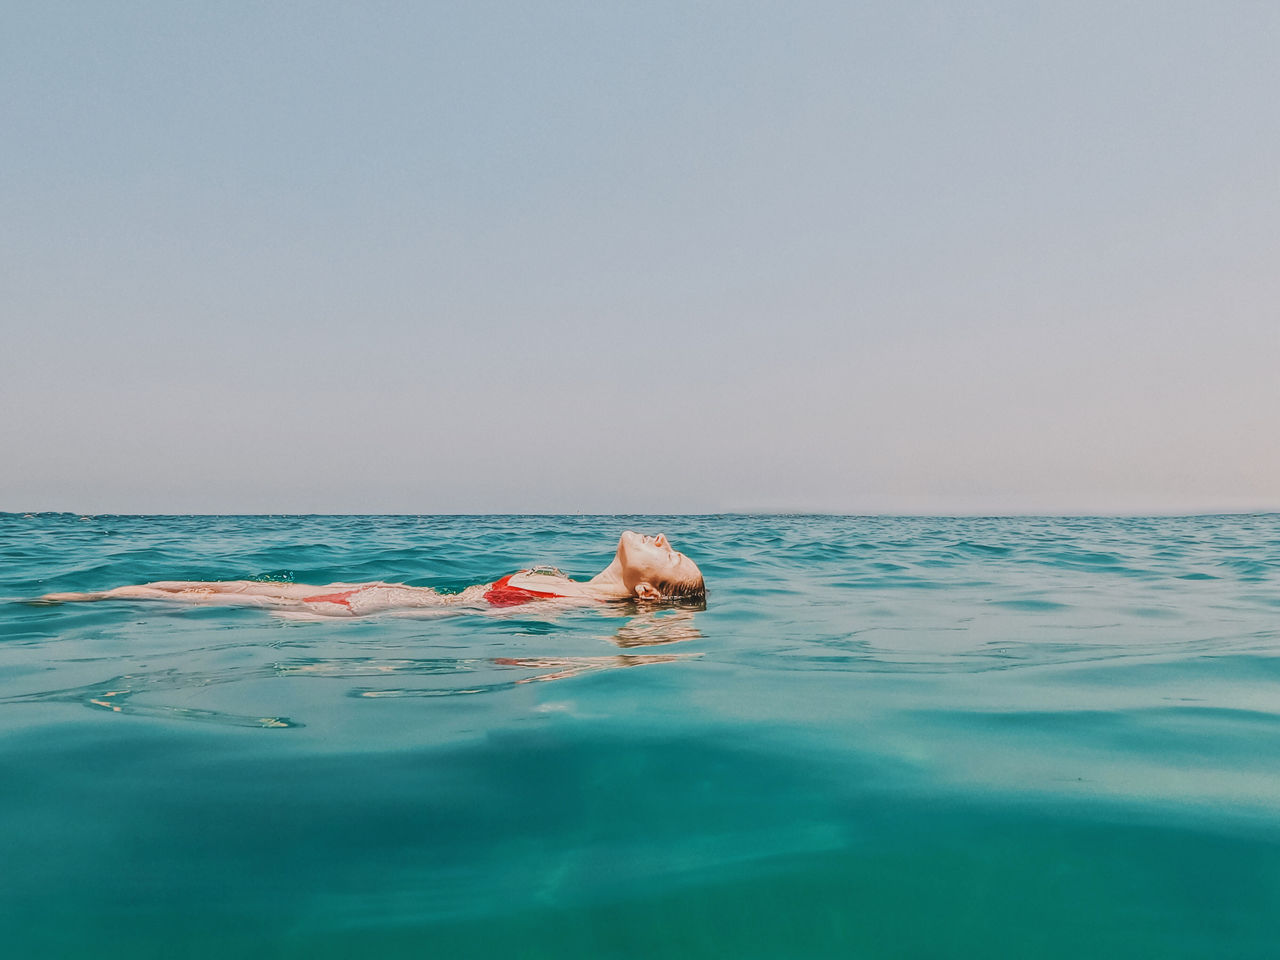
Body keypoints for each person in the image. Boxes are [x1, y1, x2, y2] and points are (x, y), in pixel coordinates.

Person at [41, 530, 706, 617]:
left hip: (374, 610)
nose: (665, 539)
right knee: (196, 583)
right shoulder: (566, 581)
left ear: (650, 588)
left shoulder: (582, 615)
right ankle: (77, 596)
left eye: (673, 556)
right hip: (392, 595)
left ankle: (62, 600)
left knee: (209, 599)